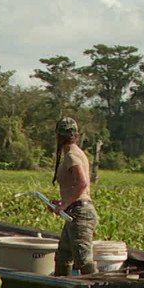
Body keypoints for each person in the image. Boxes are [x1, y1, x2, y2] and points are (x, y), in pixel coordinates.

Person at [51, 117, 99, 276]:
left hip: (80, 213)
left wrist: (65, 205)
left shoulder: (72, 155)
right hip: (73, 211)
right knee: (63, 257)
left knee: (83, 260)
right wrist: (63, 202)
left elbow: (82, 183)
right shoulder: (72, 154)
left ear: (58, 136)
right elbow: (75, 185)